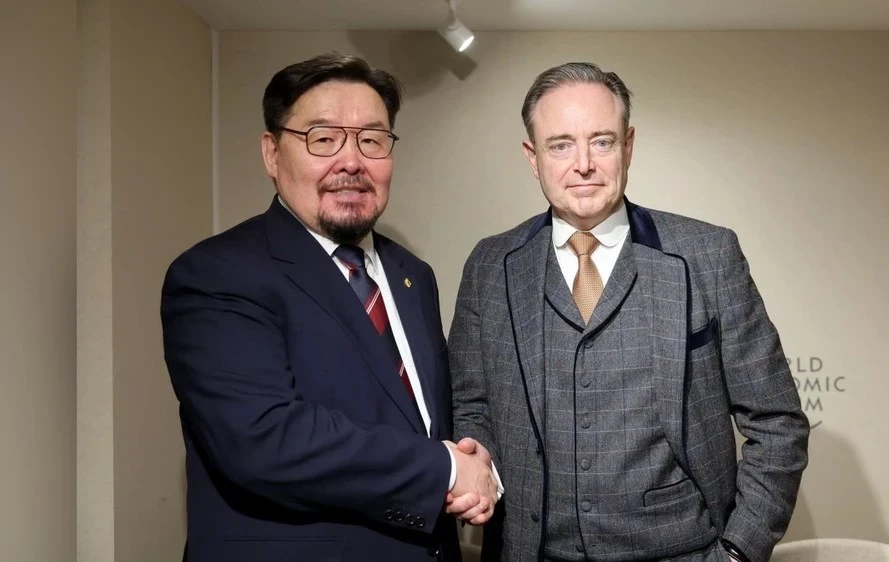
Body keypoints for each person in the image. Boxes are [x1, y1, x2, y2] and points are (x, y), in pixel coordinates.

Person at [449, 62, 810, 562]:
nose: (583, 165)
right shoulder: (490, 265)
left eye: (601, 141)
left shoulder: (708, 255)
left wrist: (736, 553)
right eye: (561, 145)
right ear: (533, 158)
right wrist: (478, 463)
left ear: (628, 146)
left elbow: (778, 423)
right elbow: (471, 406)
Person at [161, 51, 495, 562]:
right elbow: (264, 438)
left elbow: (425, 421)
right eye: (323, 138)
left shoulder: (413, 276)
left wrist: (476, 461)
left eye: (372, 140)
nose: (352, 161)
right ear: (272, 153)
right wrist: (446, 470)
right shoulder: (217, 273)